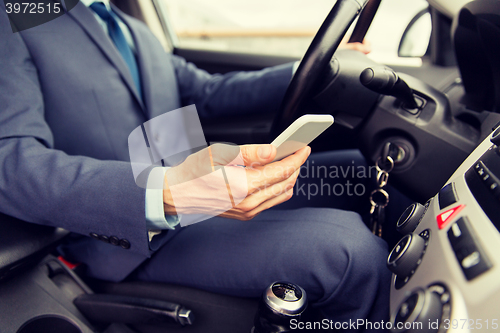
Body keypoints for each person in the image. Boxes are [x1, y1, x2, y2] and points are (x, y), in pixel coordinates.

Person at [0, 1, 391, 331]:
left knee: (357, 173)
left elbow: (205, 93)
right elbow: (10, 160)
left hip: (200, 191)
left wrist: (311, 67)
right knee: (352, 252)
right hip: (127, 238)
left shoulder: (131, 27)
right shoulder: (14, 16)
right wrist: (164, 193)